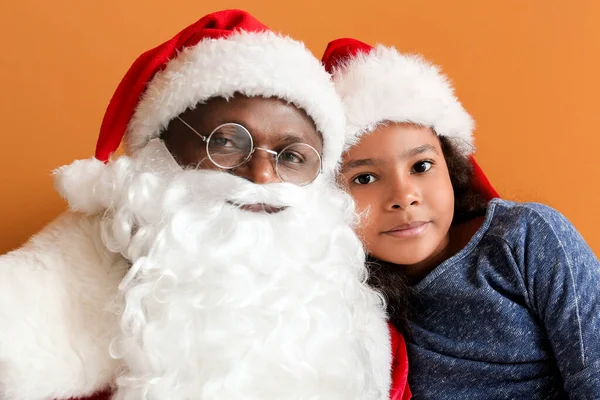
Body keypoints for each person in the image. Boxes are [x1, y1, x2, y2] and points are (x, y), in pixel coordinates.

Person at [0, 12, 411, 400]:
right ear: (156, 156)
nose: (263, 177)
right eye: (227, 142)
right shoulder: (43, 297)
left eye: (291, 156)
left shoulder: (366, 338)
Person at [322, 37, 600, 399]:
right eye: (365, 178)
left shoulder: (524, 238)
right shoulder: (352, 302)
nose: (404, 197)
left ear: (452, 169)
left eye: (421, 166)